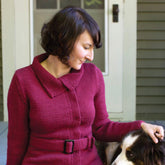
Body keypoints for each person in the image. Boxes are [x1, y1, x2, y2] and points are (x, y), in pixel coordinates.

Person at [7, 6, 164, 165]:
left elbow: (102, 128)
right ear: (63, 39)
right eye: (86, 47)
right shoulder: (23, 80)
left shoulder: (92, 75)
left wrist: (141, 126)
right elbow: (17, 141)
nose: (91, 56)